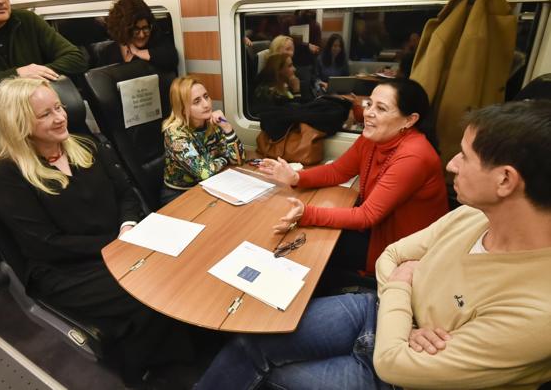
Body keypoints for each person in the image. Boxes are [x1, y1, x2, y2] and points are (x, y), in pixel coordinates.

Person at [196, 99, 551, 390]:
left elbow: (394, 364)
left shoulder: (538, 311)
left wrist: (401, 284)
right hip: (380, 310)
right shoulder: (473, 216)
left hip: (397, 374)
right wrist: (405, 298)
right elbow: (392, 255)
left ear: (505, 180)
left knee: (268, 374)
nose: (452, 165)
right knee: (250, 339)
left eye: (465, 156)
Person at [0, 78, 193, 387]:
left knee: (180, 266)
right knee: (145, 294)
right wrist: (116, 244)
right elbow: (45, 244)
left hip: (120, 242)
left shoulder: (86, 145)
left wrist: (127, 227)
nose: (59, 117)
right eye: (45, 114)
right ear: (19, 123)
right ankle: (144, 372)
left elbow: (125, 193)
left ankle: (187, 353)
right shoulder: (6, 174)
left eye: (58, 107)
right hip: (65, 269)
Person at [259, 78, 448, 274]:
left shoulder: (414, 156)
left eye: (381, 108)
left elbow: (366, 216)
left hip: (398, 248)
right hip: (376, 230)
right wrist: (296, 178)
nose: (368, 113)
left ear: (409, 120)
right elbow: (338, 171)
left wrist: (307, 213)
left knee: (309, 248)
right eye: (369, 104)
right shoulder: (375, 137)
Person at [162, 76, 245, 202]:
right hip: (180, 194)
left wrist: (227, 127)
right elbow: (204, 173)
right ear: (183, 109)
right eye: (196, 101)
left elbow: (238, 159)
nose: (206, 104)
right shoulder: (175, 135)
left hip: (208, 185)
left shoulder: (212, 122)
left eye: (206, 96)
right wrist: (224, 159)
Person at [100, 0, 178, 72]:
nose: (142, 35)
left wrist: (137, 52)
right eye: (136, 30)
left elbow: (172, 58)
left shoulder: (158, 43)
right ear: (124, 30)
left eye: (145, 28)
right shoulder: (108, 53)